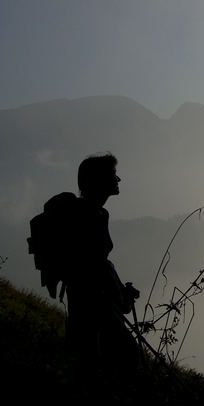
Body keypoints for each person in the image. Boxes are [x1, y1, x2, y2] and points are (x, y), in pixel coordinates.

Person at [65, 153, 140, 375]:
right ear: (99, 180)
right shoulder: (92, 216)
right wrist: (121, 297)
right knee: (125, 357)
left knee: (89, 364)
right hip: (95, 307)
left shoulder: (87, 212)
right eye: (113, 175)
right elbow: (97, 266)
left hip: (82, 304)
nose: (118, 180)